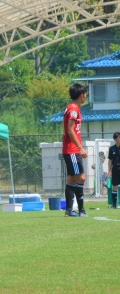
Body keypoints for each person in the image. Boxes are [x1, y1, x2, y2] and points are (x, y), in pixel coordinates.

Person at [62, 83, 88, 218]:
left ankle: (69, 211)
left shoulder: (71, 108)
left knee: (72, 179)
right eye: (85, 94)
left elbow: (65, 129)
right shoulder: (73, 109)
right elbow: (70, 130)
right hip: (72, 150)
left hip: (70, 149)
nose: (86, 97)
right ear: (81, 95)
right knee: (81, 178)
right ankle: (81, 210)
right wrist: (80, 147)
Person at [106, 132, 120, 209]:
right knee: (115, 186)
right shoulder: (112, 148)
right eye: (119, 138)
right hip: (115, 169)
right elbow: (110, 160)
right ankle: (114, 205)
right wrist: (109, 170)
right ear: (115, 139)